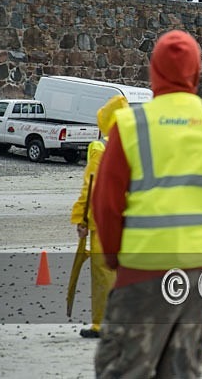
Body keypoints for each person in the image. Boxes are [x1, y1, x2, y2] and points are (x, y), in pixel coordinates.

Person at [93, 30, 202, 377]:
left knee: (124, 367)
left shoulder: (132, 124)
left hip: (142, 265)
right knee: (180, 369)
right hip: (200, 269)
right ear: (196, 71)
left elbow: (106, 203)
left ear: (154, 71)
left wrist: (116, 257)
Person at [70, 94, 128, 339]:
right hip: (130, 219)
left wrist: (81, 219)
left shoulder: (100, 148)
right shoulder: (133, 146)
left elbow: (91, 186)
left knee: (103, 274)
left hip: (104, 221)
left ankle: (101, 324)